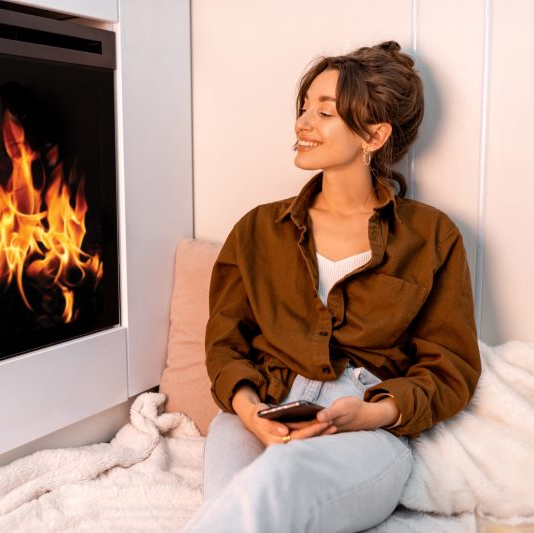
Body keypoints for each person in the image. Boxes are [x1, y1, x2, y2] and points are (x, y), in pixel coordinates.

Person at [184, 41, 481, 532]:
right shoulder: (258, 230)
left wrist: (372, 414)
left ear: (374, 135)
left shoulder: (431, 236)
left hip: (366, 423)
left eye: (324, 113)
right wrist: (250, 411)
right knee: (235, 504)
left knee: (278, 482)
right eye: (304, 108)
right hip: (260, 406)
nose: (302, 124)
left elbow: (450, 368)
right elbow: (225, 344)